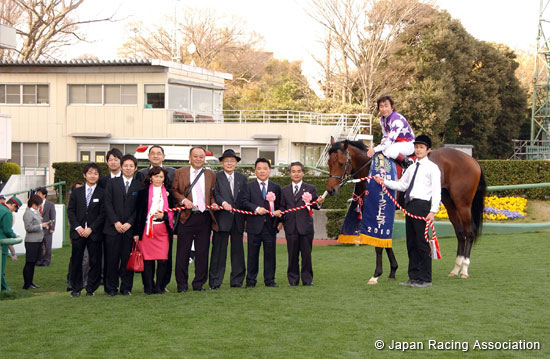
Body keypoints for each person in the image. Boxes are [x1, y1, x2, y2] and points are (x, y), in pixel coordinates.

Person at [374, 134, 441, 288]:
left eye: (421, 147)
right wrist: (384, 181)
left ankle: (425, 278)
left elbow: (437, 191)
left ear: (428, 150)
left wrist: (433, 211)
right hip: (410, 206)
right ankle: (414, 277)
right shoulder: (411, 167)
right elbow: (402, 186)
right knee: (411, 243)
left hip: (422, 206)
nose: (418, 150)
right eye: (416, 147)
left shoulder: (433, 168)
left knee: (421, 243)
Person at [173, 146, 219, 292]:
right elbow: (174, 191)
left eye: (201, 156)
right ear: (190, 158)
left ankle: (198, 284)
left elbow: (211, 194)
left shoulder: (211, 174)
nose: (199, 159)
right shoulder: (180, 172)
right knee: (182, 252)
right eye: (196, 156)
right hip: (186, 217)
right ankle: (182, 285)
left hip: (204, 217)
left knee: (202, 252)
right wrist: (183, 200)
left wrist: (213, 203)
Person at [135, 145, 176, 288]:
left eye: (159, 153)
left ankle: (161, 286)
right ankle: (148, 286)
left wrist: (165, 216)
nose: (158, 179)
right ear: (150, 177)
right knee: (148, 259)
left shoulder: (172, 176)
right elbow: (139, 210)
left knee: (164, 258)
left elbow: (173, 208)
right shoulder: (142, 185)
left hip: (163, 229)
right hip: (147, 229)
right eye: (153, 153)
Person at [279, 162, 324, 287]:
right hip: (291, 227)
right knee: (292, 255)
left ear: (303, 173)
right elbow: (282, 207)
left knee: (306, 255)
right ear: (290, 174)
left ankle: (307, 280)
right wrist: (281, 221)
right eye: (293, 171)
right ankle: (293, 280)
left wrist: (319, 202)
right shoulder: (284, 190)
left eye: (299, 171)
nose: (296, 174)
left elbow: (316, 205)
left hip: (306, 227)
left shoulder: (311, 188)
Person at [103, 154, 141, 296]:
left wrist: (129, 223)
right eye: (126, 165)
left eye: (131, 166)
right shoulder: (112, 183)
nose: (128, 168)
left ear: (135, 168)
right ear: (121, 167)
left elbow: (139, 208)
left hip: (129, 230)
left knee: (127, 259)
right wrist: (116, 222)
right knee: (111, 259)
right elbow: (107, 204)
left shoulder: (139, 185)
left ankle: (126, 288)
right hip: (112, 228)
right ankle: (111, 288)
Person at [209, 149, 247, 290]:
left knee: (238, 251)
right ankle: (215, 281)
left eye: (232, 161)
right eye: (226, 161)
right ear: (222, 163)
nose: (229, 163)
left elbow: (244, 198)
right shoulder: (216, 177)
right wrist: (223, 203)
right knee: (218, 251)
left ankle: (237, 281)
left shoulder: (242, 178)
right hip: (221, 218)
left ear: (236, 163)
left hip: (237, 220)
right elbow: (215, 193)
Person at [241, 158, 282, 288]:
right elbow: (244, 202)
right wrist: (256, 208)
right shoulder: (248, 186)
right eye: (259, 168)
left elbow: (281, 205)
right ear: (255, 171)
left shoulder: (276, 187)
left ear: (270, 170)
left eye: (265, 168)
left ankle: (270, 280)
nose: (262, 171)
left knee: (270, 255)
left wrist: (280, 220)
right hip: (254, 226)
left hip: (270, 226)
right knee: (252, 255)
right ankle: (251, 281)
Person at [67, 163, 105, 297]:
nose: (93, 176)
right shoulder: (77, 192)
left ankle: (91, 288)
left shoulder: (102, 192)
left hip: (94, 233)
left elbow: (103, 214)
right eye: (90, 173)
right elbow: (70, 210)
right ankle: (76, 288)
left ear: (99, 176)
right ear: (84, 175)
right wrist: (78, 227)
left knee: (95, 261)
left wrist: (91, 228)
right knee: (76, 260)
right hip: (78, 232)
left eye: (95, 173)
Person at [367, 95, 415, 168]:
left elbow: (389, 141)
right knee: (383, 149)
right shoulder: (382, 119)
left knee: (388, 150)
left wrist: (374, 149)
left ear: (392, 107)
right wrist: (382, 143)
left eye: (386, 106)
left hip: (407, 144)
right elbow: (385, 135)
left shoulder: (397, 120)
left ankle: (408, 163)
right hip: (396, 143)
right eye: (381, 106)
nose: (383, 109)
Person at [22, 194, 51, 289]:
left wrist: (45, 225)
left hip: (38, 240)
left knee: (33, 262)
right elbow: (28, 228)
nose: (39, 206)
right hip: (31, 241)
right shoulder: (28, 213)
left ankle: (31, 282)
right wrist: (40, 226)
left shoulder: (36, 212)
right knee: (29, 262)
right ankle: (27, 283)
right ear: (33, 204)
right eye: (38, 204)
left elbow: (39, 224)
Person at [0, 196, 22, 291]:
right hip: (2, 242)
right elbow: (7, 231)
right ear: (13, 205)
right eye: (15, 209)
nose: (13, 211)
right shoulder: (7, 212)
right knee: (1, 266)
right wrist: (15, 236)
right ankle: (4, 287)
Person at [35, 187, 56, 267]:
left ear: (44, 195)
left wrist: (52, 228)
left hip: (47, 228)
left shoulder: (50, 205)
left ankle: (46, 261)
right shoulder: (35, 204)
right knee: (39, 245)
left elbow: (53, 217)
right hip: (38, 228)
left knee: (47, 245)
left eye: (39, 194)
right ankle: (39, 260)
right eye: (37, 193)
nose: (37, 195)